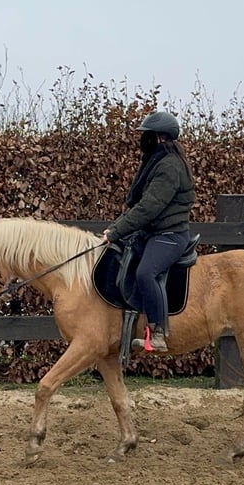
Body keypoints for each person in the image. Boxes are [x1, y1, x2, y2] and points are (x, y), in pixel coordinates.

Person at [102, 111, 196, 352]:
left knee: (146, 273)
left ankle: (158, 332)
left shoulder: (169, 167)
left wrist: (116, 231)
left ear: (160, 137)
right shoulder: (156, 161)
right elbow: (137, 206)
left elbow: (149, 207)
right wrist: (114, 230)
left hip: (169, 236)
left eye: (146, 135)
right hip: (152, 234)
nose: (142, 139)